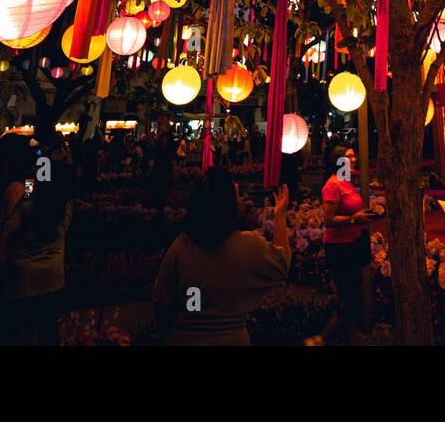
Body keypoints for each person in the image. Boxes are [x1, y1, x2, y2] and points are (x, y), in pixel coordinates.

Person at [152, 167, 290, 345]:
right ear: (230, 205)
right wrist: (280, 216)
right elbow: (282, 260)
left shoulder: (181, 247)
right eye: (236, 193)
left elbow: (161, 300)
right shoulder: (249, 245)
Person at [0, 136, 75, 345]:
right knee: (48, 329)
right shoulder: (64, 207)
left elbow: (7, 234)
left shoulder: (25, 205)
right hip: (54, 277)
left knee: (19, 332)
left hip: (24, 280)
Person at [305, 145, 376, 346]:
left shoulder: (346, 181)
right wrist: (353, 219)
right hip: (340, 249)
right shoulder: (332, 186)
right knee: (350, 301)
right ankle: (320, 340)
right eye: (349, 156)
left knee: (352, 297)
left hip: (354, 244)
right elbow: (328, 220)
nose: (354, 159)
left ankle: (351, 340)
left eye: (354, 155)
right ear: (339, 160)